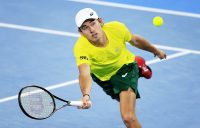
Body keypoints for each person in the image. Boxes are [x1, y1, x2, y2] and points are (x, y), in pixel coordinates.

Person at [73, 8, 166, 128]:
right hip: (103, 78)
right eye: (85, 27)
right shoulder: (81, 47)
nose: (91, 30)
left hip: (125, 68)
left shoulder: (116, 28)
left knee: (128, 118)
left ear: (100, 21)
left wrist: (156, 50)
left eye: (93, 23)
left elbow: (135, 40)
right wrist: (86, 95)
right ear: (80, 32)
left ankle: (135, 67)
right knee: (125, 104)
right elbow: (84, 73)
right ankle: (139, 65)